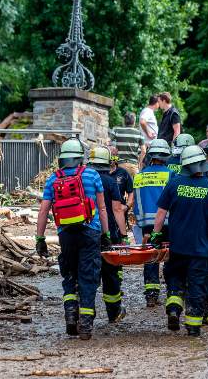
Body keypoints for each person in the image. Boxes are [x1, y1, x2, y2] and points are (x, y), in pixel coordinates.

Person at [151, 145, 208, 337]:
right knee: (197, 285)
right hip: (200, 249)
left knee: (175, 277)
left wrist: (155, 234)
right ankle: (193, 328)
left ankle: (173, 308)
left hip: (178, 246)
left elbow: (161, 213)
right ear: (203, 164)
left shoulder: (173, 184)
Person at [34, 139, 110, 339]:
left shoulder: (53, 179)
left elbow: (43, 212)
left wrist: (40, 238)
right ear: (80, 157)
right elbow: (102, 208)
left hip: (65, 234)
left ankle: (70, 315)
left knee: (68, 274)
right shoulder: (92, 175)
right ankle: (85, 325)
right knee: (88, 277)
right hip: (90, 232)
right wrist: (106, 235)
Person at [87, 146, 128, 323]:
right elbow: (117, 210)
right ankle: (114, 313)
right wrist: (124, 234)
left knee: (88, 271)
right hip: (108, 232)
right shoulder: (110, 181)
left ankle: (86, 312)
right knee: (111, 273)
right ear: (108, 163)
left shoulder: (84, 179)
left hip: (87, 231)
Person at [134, 140, 174, 306]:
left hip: (146, 224)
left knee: (150, 258)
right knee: (170, 256)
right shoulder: (171, 174)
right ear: (165, 157)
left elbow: (137, 203)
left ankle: (151, 295)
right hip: (167, 222)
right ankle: (172, 292)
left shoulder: (138, 176)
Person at [109, 111, 146, 175]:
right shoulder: (139, 134)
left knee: (119, 184)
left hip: (120, 165)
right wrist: (138, 162)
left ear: (124, 121)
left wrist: (113, 155)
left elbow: (105, 142)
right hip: (133, 166)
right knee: (134, 184)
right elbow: (144, 151)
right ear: (134, 123)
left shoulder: (117, 131)